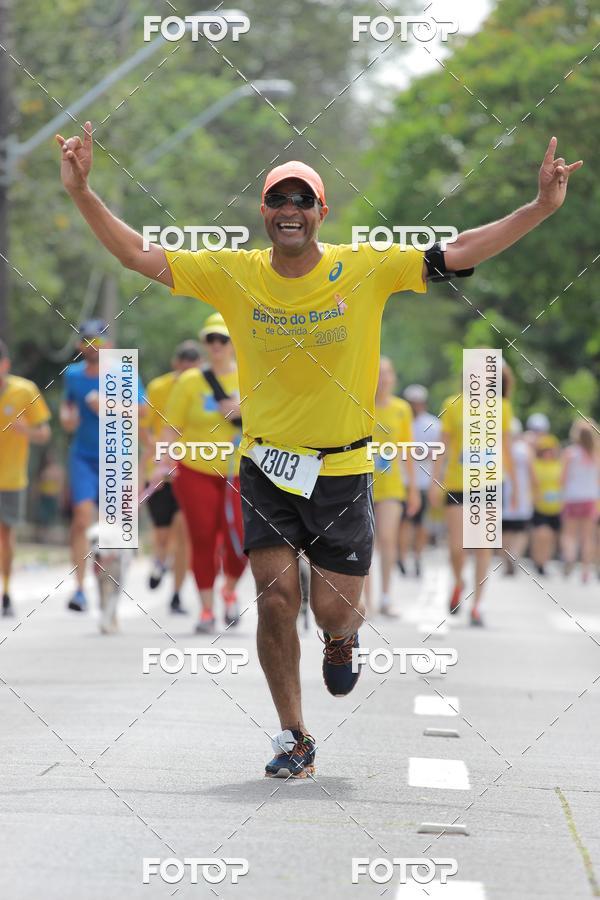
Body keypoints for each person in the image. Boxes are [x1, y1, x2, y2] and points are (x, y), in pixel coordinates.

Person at [58, 119, 582, 777]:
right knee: (275, 596)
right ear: (265, 212)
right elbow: (137, 253)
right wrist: (81, 191)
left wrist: (539, 207)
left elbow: (459, 248)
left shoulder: (363, 266)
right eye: (280, 200)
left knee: (334, 607)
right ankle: (293, 735)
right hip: (267, 465)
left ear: (320, 213)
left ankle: (340, 639)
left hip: (343, 469)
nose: (290, 211)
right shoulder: (233, 274)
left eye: (303, 201)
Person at [158, 314, 247, 634]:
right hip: (195, 470)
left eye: (222, 339)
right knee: (203, 539)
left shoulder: (253, 376)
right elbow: (171, 427)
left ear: (234, 341)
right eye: (211, 339)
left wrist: (243, 412)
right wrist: (161, 460)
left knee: (242, 538)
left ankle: (230, 589)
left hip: (241, 472)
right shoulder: (190, 381)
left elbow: (276, 421)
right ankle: (208, 609)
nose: (216, 345)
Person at [61, 319, 145, 611]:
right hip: (83, 455)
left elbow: (142, 411)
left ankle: (111, 591)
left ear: (108, 344)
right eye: (86, 341)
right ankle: (80, 589)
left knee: (113, 530)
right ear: (78, 345)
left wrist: (109, 406)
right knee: (81, 519)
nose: (91, 346)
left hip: (116, 456)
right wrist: (67, 417)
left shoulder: (123, 373)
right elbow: (68, 406)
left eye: (97, 341)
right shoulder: (72, 375)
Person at [430, 363, 515, 626]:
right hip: (457, 484)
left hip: (489, 483)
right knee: (457, 547)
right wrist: (436, 480)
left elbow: (506, 449)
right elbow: (442, 447)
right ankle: (458, 581)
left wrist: (515, 487)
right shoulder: (452, 404)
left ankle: (478, 604)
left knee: (482, 547)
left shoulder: (502, 407)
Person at [141, 341, 201, 614]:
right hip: (159, 465)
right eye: (183, 365)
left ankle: (177, 593)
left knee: (183, 529)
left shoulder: (203, 388)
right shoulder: (158, 387)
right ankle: (160, 560)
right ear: (175, 363)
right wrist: (154, 455)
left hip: (191, 466)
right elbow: (145, 426)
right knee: (162, 532)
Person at [364, 358, 419, 617]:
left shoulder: (401, 409)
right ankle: (366, 600)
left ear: (393, 377)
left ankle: (386, 596)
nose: (382, 378)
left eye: (386, 373)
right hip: (362, 483)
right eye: (377, 373)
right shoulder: (361, 405)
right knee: (365, 542)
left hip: (392, 485)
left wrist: (413, 489)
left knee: (387, 538)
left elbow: (407, 449)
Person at [0, 339, 51, 616]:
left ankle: (6, 591)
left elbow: (45, 434)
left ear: (5, 365)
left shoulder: (25, 391)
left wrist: (25, 431)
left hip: (11, 479)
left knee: (5, 537)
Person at [399, 383, 441, 577]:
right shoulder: (401, 421)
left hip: (424, 481)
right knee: (406, 522)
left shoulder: (432, 424)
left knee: (422, 524)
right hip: (404, 480)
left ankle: (417, 555)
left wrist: (421, 452)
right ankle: (402, 556)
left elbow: (441, 451)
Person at [560, 419, 600, 583]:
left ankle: (570, 556)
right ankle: (585, 570)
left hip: (572, 497)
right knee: (587, 537)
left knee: (569, 534)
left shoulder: (570, 453)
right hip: (590, 498)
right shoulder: (596, 454)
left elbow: (562, 478)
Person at [501, 419, 534, 575]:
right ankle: (515, 554)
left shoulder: (499, 448)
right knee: (521, 530)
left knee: (505, 529)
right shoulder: (524, 449)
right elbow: (532, 472)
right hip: (521, 494)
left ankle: (506, 555)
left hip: (504, 493)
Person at [531, 434, 563, 576]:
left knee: (550, 538)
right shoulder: (535, 465)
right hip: (539, 507)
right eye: (545, 450)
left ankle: (543, 563)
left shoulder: (559, 465)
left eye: (550, 450)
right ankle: (538, 562)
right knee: (542, 535)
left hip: (556, 507)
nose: (548, 453)